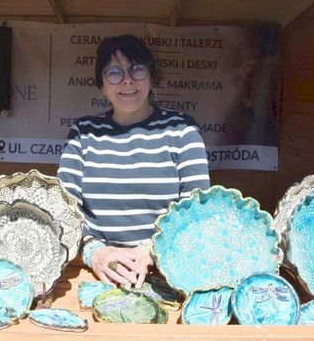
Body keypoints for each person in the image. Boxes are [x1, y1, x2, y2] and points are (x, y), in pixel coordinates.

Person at [57, 35, 210, 289]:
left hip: (165, 271)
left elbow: (197, 207)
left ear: (151, 77)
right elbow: (63, 207)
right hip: (95, 273)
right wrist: (93, 252)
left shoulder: (182, 129)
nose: (127, 80)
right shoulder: (83, 132)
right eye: (114, 72)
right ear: (102, 85)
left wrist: (153, 251)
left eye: (137, 69)